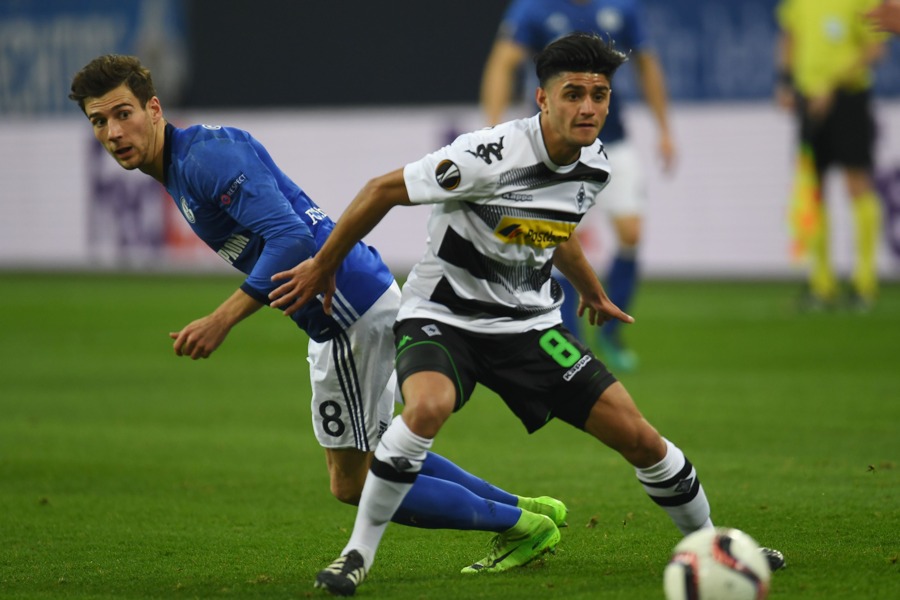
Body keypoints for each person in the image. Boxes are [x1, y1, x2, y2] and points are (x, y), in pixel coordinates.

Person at [269, 33, 784, 596]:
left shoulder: (595, 166)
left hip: (531, 328)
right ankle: (356, 556)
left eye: (599, 94)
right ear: (542, 99)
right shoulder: (485, 156)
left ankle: (713, 544)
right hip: (443, 317)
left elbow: (551, 229)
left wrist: (590, 289)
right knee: (427, 408)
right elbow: (379, 190)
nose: (587, 107)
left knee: (640, 437)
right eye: (573, 94)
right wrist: (323, 265)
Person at [68, 54, 571, 567]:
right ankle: (522, 507)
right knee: (377, 447)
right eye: (99, 121)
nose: (113, 132)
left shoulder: (202, 161)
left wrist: (222, 320)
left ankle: (520, 527)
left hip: (347, 312)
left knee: (350, 482)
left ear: (153, 108)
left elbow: (288, 237)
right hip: (350, 301)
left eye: (123, 113)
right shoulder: (192, 156)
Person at [480, 0, 675, 372]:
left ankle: (613, 332)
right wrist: (490, 128)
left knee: (631, 233)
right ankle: (568, 335)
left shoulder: (622, 8)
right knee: (555, 237)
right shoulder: (533, 9)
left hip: (612, 141)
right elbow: (503, 63)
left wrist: (665, 129)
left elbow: (648, 64)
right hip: (553, 146)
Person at [775, 0, 888, 311]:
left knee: (856, 183)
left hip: (848, 96)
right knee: (813, 188)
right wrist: (785, 81)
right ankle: (822, 284)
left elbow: (875, 48)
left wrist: (831, 85)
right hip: (808, 98)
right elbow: (789, 36)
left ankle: (864, 284)